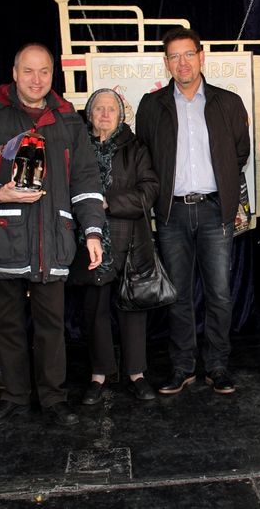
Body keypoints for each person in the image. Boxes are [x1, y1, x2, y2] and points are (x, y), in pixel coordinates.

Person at [0, 43, 106, 427]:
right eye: (28, 71)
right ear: (14, 71)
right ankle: (14, 395)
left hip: (50, 240)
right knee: (4, 325)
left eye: (43, 71)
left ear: (51, 74)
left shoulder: (68, 119)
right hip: (0, 237)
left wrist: (92, 231)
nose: (36, 79)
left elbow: (86, 180)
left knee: (51, 326)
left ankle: (54, 398)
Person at [135, 28, 250, 395]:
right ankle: (182, 367)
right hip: (172, 215)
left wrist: (227, 196)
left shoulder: (228, 102)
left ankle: (217, 366)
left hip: (216, 211)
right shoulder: (152, 106)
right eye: (174, 56)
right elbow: (145, 159)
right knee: (178, 295)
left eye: (189, 54)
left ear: (202, 56)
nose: (182, 62)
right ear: (166, 62)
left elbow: (239, 154)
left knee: (219, 293)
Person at [69, 88, 159, 405]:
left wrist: (107, 203)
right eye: (98, 109)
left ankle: (137, 373)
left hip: (130, 241)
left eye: (111, 109)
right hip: (88, 241)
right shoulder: (78, 147)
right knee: (94, 310)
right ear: (89, 114)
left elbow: (149, 191)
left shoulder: (135, 148)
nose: (105, 114)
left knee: (132, 309)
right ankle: (99, 374)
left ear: (121, 115)